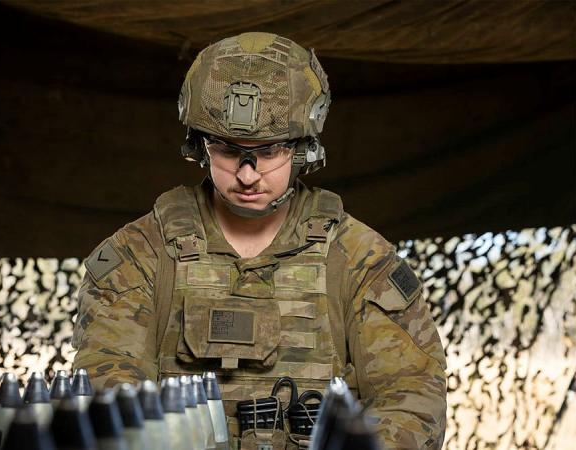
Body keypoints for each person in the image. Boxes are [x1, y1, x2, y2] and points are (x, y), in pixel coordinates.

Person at [72, 32, 446, 449]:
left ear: (304, 149)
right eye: (229, 152)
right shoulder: (141, 253)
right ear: (199, 147)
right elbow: (108, 395)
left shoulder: (358, 258)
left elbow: (412, 398)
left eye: (268, 152)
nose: (248, 175)